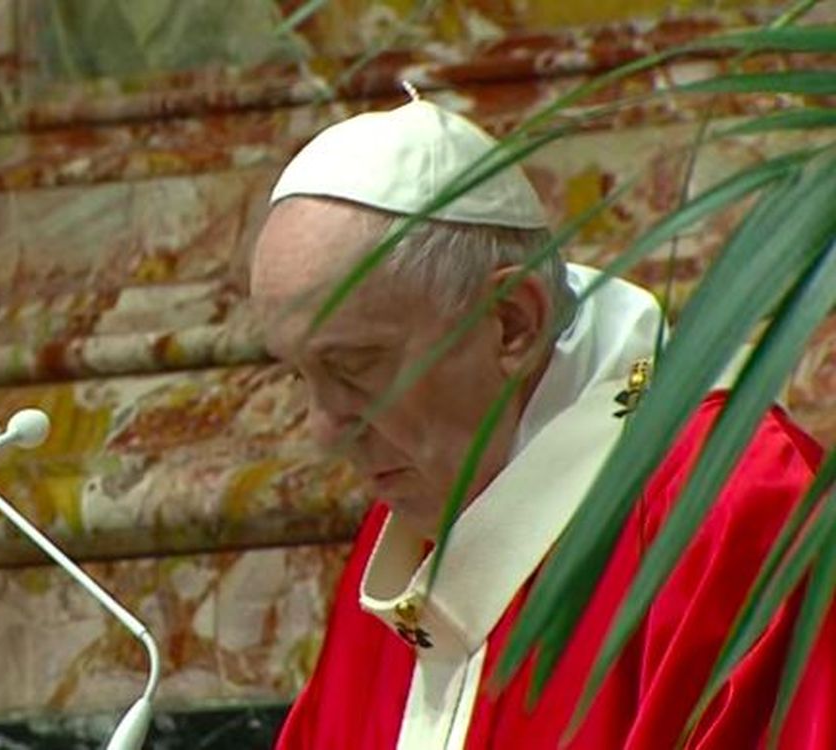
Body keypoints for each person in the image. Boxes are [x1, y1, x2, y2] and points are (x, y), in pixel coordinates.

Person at [250, 96, 836, 749]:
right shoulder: (409, 535)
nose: (323, 432)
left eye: (356, 367)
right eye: (299, 375)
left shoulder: (729, 508)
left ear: (512, 324)